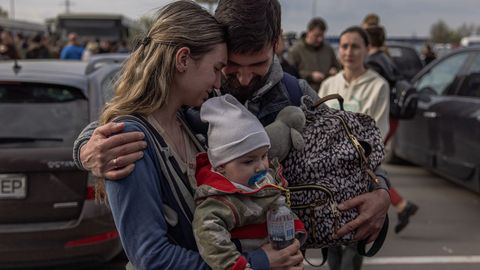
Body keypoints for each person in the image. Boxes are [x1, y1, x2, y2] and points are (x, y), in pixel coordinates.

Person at [73, 0, 390, 267]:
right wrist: (88, 148)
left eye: (258, 63)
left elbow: (349, 157)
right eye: (230, 66)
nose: (243, 75)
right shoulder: (193, 96)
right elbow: (130, 121)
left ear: (277, 41)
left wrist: (381, 190)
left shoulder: (297, 95)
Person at [90, 1, 304, 269]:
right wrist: (258, 261)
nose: (219, 83)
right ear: (182, 60)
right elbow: (152, 258)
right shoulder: (131, 139)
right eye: (217, 68)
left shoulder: (185, 121)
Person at [194, 94, 306, 270]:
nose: (261, 166)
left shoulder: (266, 182)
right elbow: (211, 243)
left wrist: (296, 232)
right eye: (248, 161)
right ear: (221, 167)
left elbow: (279, 206)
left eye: (264, 156)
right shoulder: (219, 202)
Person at [318, 26, 389, 270]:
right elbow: (318, 129)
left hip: (361, 176)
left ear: (367, 50)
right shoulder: (329, 84)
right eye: (345, 45)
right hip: (329, 177)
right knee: (331, 243)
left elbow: (378, 132)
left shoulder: (378, 86)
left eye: (355, 46)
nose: (349, 51)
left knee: (353, 248)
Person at [364, 25, 419, 234]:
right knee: (370, 167)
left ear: (367, 43)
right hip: (393, 117)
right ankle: (402, 205)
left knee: (368, 167)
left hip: (382, 118)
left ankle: (399, 204)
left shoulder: (373, 63)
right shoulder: (386, 58)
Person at [287, 17, 340, 91]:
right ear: (308, 32)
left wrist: (335, 70)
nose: (320, 39)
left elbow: (338, 66)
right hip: (304, 94)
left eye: (322, 36)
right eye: (316, 35)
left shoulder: (329, 49)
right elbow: (289, 75)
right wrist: (310, 76)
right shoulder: (295, 50)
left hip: (327, 92)